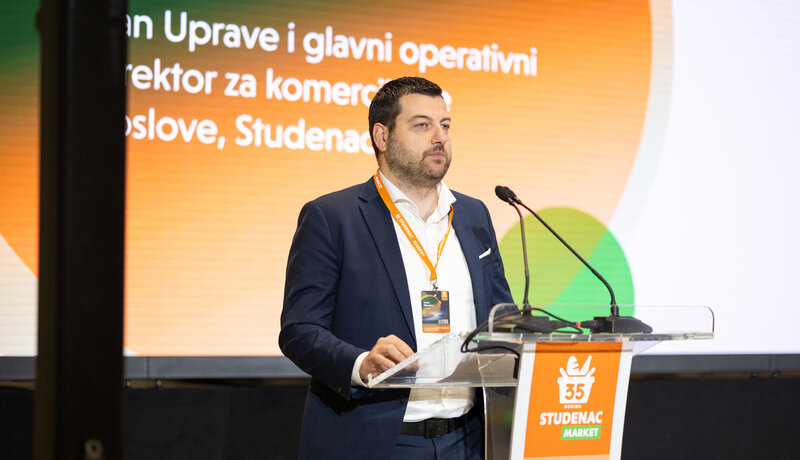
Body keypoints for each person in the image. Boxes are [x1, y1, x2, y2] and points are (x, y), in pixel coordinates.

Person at [279, 76, 513, 459]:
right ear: (382, 136)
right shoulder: (333, 218)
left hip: (468, 440)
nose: (439, 137)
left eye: (445, 125)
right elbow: (299, 331)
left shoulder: (474, 215)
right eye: (422, 125)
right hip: (377, 441)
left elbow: (500, 319)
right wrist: (360, 364)